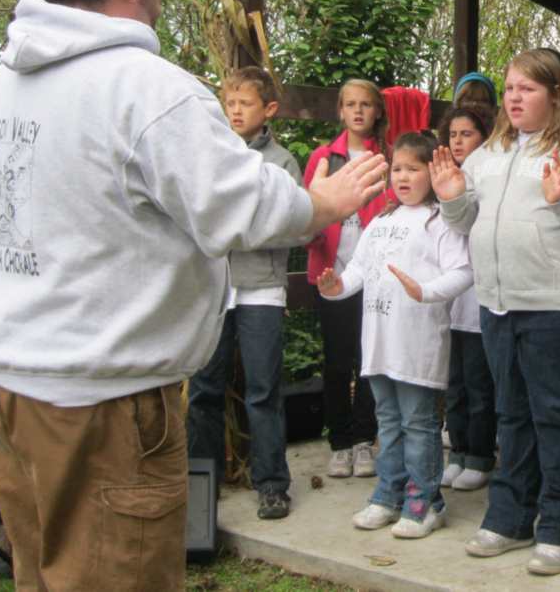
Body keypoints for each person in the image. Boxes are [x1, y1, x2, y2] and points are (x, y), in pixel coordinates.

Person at [0, 0, 386, 591]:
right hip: (103, 402)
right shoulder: (146, 89)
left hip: (11, 390)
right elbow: (237, 203)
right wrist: (323, 202)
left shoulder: (3, 86)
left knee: (42, 576)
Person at [433, 49, 560, 576]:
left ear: (556, 93)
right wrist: (451, 198)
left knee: (556, 418)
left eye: (527, 88)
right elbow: (464, 221)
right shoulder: (489, 152)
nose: (514, 98)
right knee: (511, 415)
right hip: (497, 303)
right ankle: (510, 519)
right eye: (510, 88)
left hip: (558, 307)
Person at [317, 133, 473, 539]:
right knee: (387, 422)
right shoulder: (381, 221)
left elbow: (462, 272)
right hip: (380, 345)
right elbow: (357, 270)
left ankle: (426, 502)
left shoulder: (440, 221)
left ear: (433, 173)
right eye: (398, 169)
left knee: (418, 423)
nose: (403, 177)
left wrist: (425, 291)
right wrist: (336, 287)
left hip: (417, 345)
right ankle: (388, 494)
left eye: (413, 169)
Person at [186, 66, 303, 521]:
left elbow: (294, 224)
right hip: (212, 289)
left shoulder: (282, 163)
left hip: (262, 291)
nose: (235, 111)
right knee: (204, 390)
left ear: (268, 109)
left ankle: (272, 485)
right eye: (230, 103)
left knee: (263, 391)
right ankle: (201, 491)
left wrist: (234, 229)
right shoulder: (209, 154)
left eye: (245, 104)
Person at [305, 79, 391, 479]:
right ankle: (339, 442)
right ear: (340, 111)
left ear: (377, 111)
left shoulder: (387, 157)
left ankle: (363, 439)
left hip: (375, 277)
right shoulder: (323, 158)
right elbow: (307, 210)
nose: (358, 111)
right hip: (332, 274)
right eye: (351, 104)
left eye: (366, 104)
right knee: (338, 361)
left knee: (370, 359)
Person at [437, 104, 498, 491]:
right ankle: (457, 453)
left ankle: (480, 456)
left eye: (467, 134)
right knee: (455, 385)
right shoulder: (439, 180)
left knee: (479, 386)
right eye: (453, 135)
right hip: (450, 305)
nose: (458, 141)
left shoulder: (488, 179)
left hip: (479, 302)